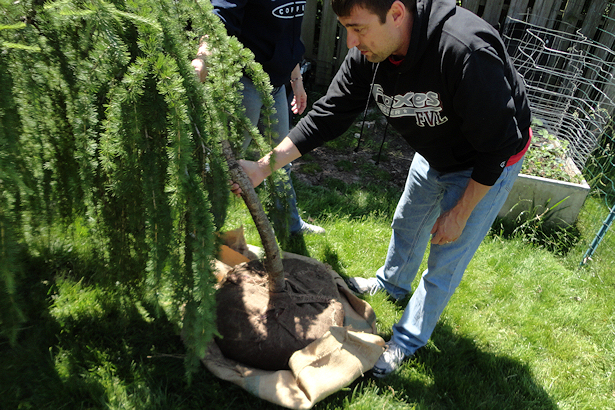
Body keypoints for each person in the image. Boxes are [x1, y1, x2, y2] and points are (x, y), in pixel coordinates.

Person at [231, 0, 532, 378]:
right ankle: (391, 283)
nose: (351, 42)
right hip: (436, 150)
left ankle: (405, 340)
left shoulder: (464, 49)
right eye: (346, 29)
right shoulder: (369, 55)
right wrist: (262, 167)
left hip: (487, 162)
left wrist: (460, 212)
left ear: (396, 12)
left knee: (446, 259)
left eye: (359, 29)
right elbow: (329, 113)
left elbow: (499, 144)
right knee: (408, 222)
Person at [192, 0, 325, 235]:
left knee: (281, 158)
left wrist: (296, 80)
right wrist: (202, 59)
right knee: (226, 163)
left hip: (276, 84)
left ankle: (289, 224)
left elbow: (288, 35)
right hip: (243, 83)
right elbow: (219, 20)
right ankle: (203, 232)